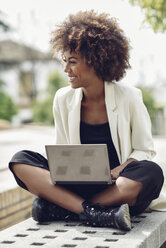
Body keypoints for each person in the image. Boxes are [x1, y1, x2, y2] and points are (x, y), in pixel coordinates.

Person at [9, 10, 164, 231]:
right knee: (20, 160)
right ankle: (92, 212)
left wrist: (117, 171)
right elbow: (63, 151)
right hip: (80, 184)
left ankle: (66, 209)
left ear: (95, 61)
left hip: (118, 188)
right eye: (65, 61)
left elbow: (145, 150)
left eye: (72, 62)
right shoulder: (63, 99)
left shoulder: (129, 97)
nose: (66, 69)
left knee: (152, 172)